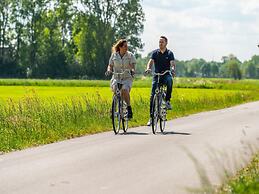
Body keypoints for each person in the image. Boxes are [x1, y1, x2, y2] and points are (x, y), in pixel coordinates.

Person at [145, 36, 176, 126]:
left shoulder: (169, 53)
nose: (160, 43)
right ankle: (151, 118)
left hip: (166, 74)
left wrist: (173, 70)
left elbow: (172, 63)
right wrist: (148, 68)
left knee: (170, 80)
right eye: (159, 42)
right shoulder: (155, 53)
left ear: (166, 43)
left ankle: (167, 101)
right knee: (152, 96)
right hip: (157, 75)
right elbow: (151, 61)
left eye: (162, 42)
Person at [106, 39, 136, 119]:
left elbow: (133, 67)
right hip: (116, 77)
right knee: (116, 90)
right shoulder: (114, 55)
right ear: (120, 47)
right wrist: (109, 70)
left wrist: (132, 70)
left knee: (125, 90)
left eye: (127, 46)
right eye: (125, 46)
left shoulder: (130, 55)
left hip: (127, 78)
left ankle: (129, 108)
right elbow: (110, 65)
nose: (126, 48)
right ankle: (113, 110)